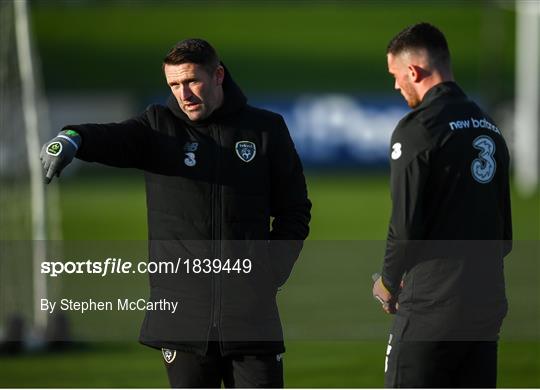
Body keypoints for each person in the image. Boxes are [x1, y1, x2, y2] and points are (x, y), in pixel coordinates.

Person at [40, 39, 311, 388]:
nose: (184, 94)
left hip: (251, 314)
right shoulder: (158, 127)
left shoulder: (265, 129)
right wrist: (73, 137)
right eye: (174, 85)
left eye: (192, 81)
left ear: (218, 75)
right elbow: (114, 137)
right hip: (182, 318)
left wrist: (270, 272)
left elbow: (294, 209)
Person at [372, 23, 512, 388]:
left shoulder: (418, 129)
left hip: (432, 308)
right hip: (486, 304)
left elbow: (404, 226)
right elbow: (505, 234)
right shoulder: (490, 127)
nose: (395, 86)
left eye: (395, 75)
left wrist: (388, 283)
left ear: (413, 72)